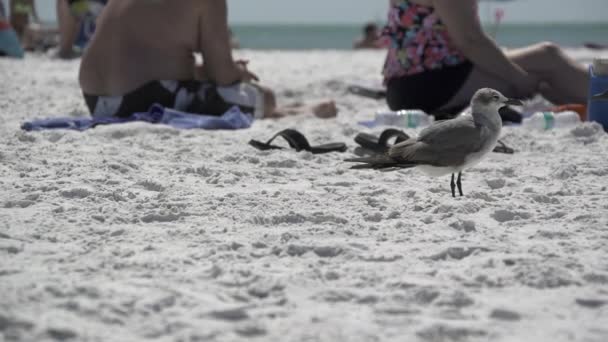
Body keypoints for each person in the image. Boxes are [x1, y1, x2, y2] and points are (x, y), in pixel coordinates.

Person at [79, 0, 337, 119]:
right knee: (265, 96)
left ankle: (286, 110)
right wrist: (237, 71)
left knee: (209, 88)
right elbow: (223, 74)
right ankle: (290, 112)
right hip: (141, 99)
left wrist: (206, 70)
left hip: (95, 98)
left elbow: (153, 54)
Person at [383, 0, 589, 115]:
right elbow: (471, 41)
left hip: (410, 81)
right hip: (431, 83)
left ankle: (588, 106)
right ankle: (599, 99)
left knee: (544, 60)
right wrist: (518, 79)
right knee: (546, 61)